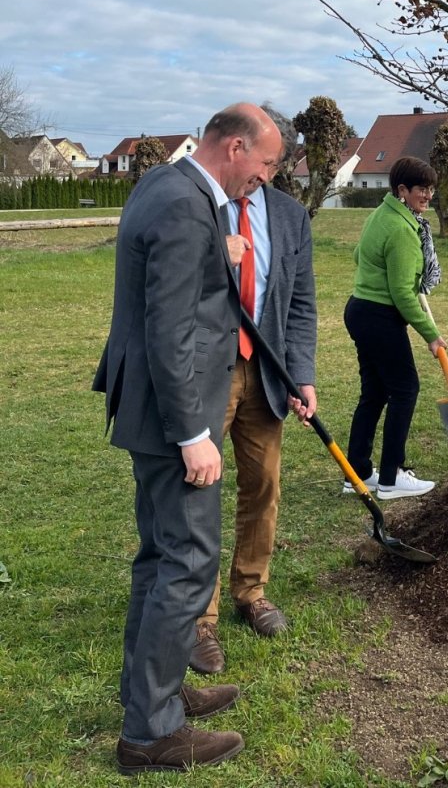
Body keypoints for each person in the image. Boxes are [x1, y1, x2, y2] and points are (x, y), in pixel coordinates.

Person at [93, 103, 283, 773]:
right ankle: (150, 732)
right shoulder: (183, 204)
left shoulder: (163, 185)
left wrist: (215, 257)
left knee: (158, 557)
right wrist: (193, 434)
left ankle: (156, 691)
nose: (259, 180)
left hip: (146, 406)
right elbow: (169, 326)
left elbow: (173, 287)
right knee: (188, 562)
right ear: (234, 147)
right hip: (173, 414)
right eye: (261, 165)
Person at [189, 167, 318, 676]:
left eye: (271, 165)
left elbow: (301, 302)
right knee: (198, 489)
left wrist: (300, 374)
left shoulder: (289, 215)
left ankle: (251, 589)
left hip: (266, 373)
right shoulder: (202, 208)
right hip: (207, 373)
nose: (260, 174)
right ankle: (199, 617)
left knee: (263, 483)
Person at [344, 155, 445, 500]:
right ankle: (391, 477)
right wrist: (430, 335)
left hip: (360, 311)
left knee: (374, 392)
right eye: (422, 189)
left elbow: (359, 254)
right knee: (405, 389)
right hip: (379, 317)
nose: (428, 195)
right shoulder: (403, 229)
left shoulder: (381, 215)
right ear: (402, 190)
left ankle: (356, 473)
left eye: (431, 189)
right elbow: (403, 293)